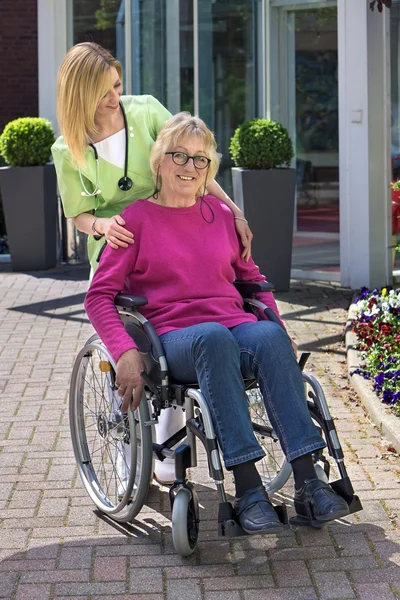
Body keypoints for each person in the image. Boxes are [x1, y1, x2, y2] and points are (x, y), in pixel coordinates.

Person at [84, 112, 350, 534]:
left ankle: (308, 484)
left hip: (231, 327)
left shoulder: (222, 217)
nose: (190, 168)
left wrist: (279, 328)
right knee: (213, 338)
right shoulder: (133, 221)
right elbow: (98, 296)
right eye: (179, 156)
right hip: (174, 337)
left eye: (200, 159)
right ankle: (248, 491)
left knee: (267, 335)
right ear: (159, 161)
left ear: (210, 168)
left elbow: (253, 282)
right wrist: (125, 352)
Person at [52, 42, 252, 485]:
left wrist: (234, 213)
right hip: (121, 240)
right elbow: (77, 214)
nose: (113, 98)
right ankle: (129, 439)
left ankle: (171, 437)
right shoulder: (67, 149)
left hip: (174, 230)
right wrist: (102, 225)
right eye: (102, 91)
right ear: (79, 94)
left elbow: (196, 164)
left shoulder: (144, 111)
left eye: (117, 86)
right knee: (128, 339)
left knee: (179, 328)